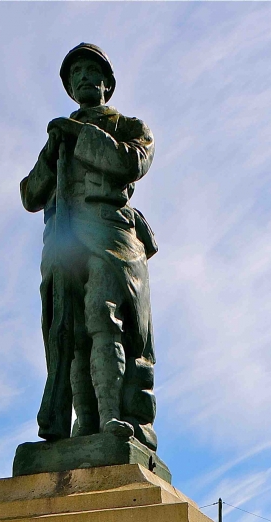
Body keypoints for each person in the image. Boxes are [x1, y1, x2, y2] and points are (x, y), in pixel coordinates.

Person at [21, 44, 159, 450]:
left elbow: (130, 164)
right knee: (73, 331)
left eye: (90, 70)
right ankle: (84, 426)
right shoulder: (58, 137)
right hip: (64, 242)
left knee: (103, 316)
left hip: (110, 233)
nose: (82, 77)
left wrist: (79, 134)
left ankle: (114, 415)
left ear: (107, 83)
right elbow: (30, 195)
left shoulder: (129, 126)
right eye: (75, 72)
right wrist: (51, 151)